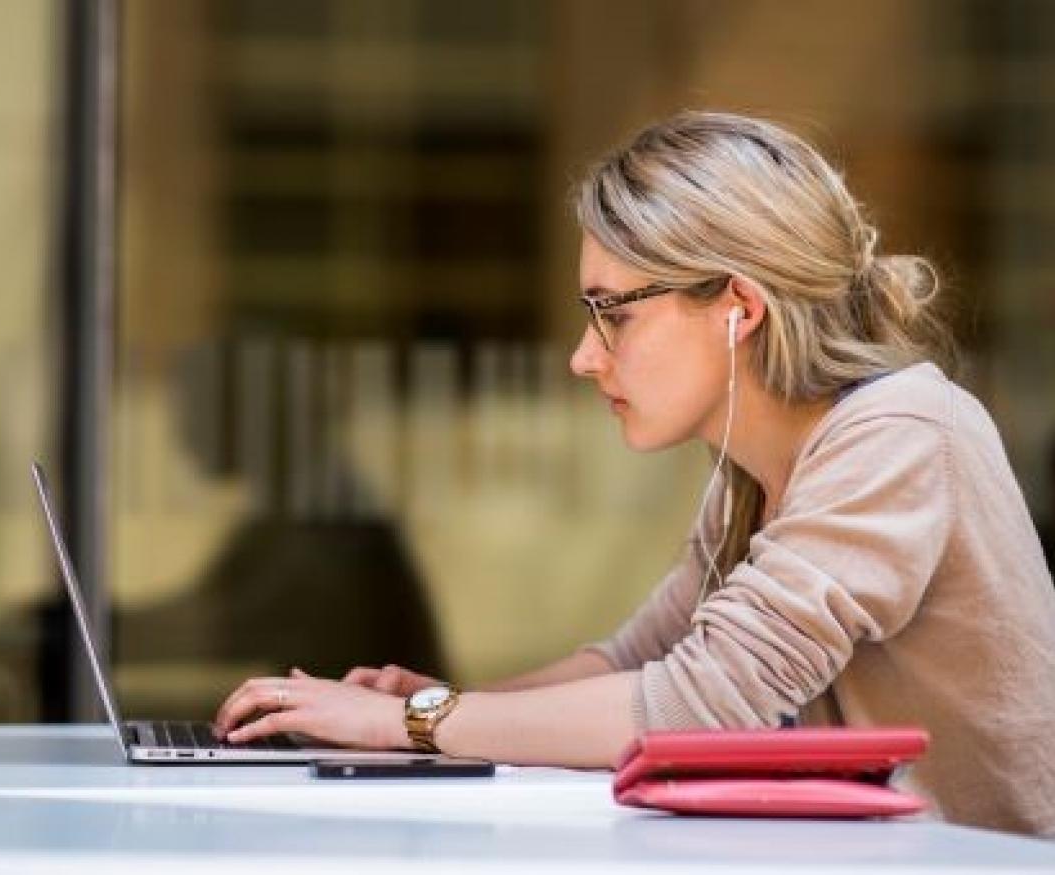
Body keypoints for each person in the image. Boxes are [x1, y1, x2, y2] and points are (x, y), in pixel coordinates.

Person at [213, 111, 1055, 837]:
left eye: (614, 312)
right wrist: (447, 704)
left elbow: (703, 702)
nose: (585, 355)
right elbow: (638, 659)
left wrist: (414, 724)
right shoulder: (751, 467)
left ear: (738, 307)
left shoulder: (901, 431)